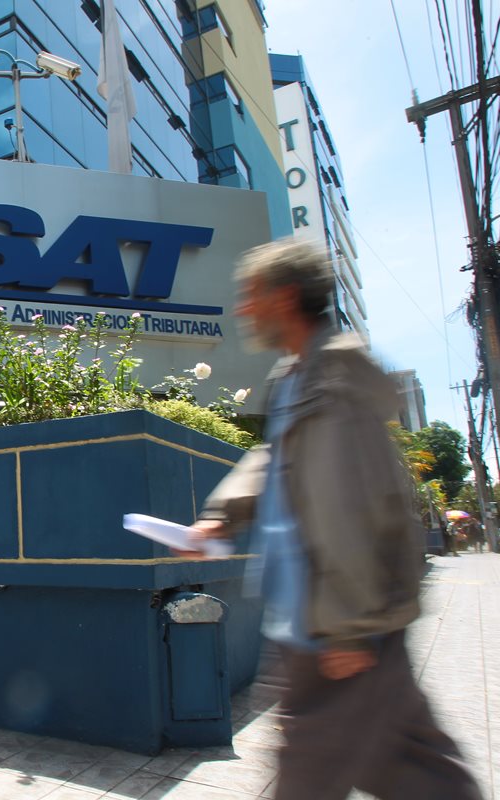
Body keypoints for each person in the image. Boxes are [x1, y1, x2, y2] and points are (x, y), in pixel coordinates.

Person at [187, 239, 481, 799]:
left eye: (252, 295)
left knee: (315, 775)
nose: (243, 308)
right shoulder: (294, 377)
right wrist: (220, 518)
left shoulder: (334, 381)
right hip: (321, 621)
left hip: (333, 627)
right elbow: (276, 460)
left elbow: (353, 506)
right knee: (413, 769)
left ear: (285, 298)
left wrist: (350, 627)